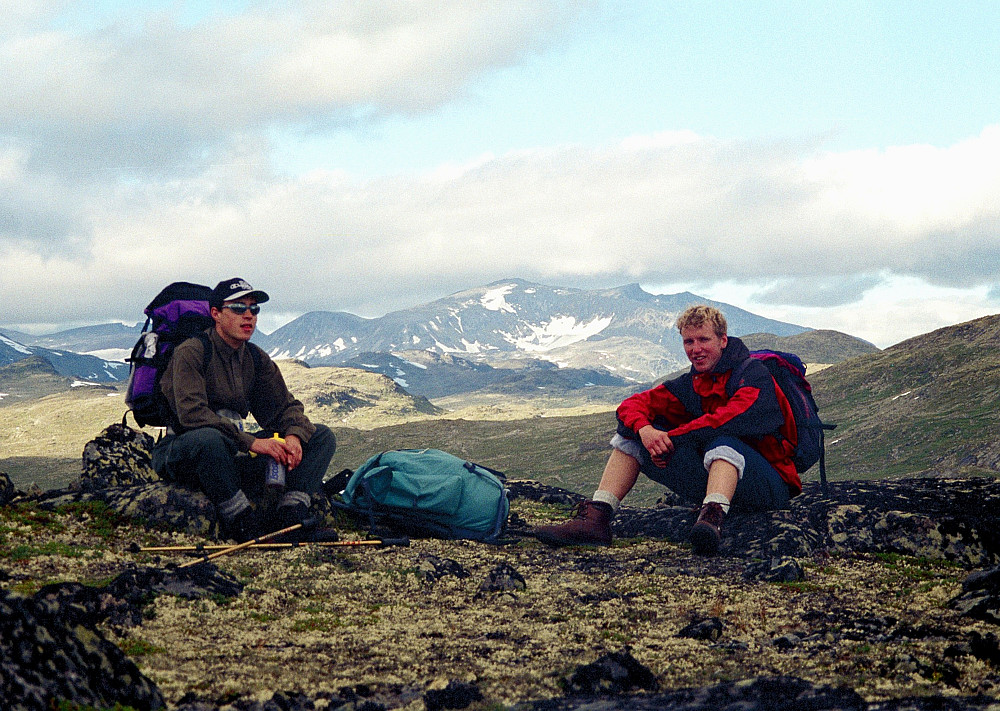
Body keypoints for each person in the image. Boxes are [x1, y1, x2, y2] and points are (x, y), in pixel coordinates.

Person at [533, 305, 799, 555]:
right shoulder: (689, 384)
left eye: (704, 340)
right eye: (689, 342)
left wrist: (670, 438)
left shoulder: (754, 374)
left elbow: (730, 418)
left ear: (723, 340)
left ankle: (712, 519)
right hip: (714, 482)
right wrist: (646, 430)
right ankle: (597, 518)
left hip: (768, 487)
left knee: (724, 441)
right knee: (633, 436)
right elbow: (631, 406)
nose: (696, 349)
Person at [151, 278, 337, 542]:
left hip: (232, 457)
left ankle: (290, 517)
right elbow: (192, 415)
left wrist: (293, 435)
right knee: (209, 440)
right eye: (238, 308)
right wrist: (252, 443)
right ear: (216, 314)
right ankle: (241, 522)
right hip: (186, 453)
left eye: (254, 309)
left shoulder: (255, 358)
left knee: (320, 437)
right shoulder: (191, 352)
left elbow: (285, 408)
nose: (248, 315)